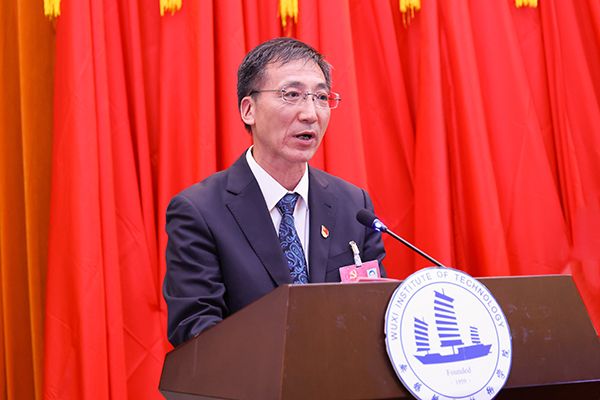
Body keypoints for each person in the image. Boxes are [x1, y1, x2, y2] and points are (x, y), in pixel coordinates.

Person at [164, 37, 386, 347]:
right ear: (248, 110)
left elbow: (373, 314)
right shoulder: (199, 212)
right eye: (292, 94)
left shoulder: (353, 206)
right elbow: (196, 329)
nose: (311, 113)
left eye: (321, 97)